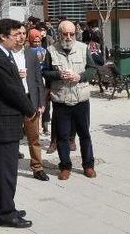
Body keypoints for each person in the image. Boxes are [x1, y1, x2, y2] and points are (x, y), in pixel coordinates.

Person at [0, 19, 36, 228]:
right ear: (3, 36)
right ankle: (5, 213)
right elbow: (12, 90)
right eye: (14, 35)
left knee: (8, 170)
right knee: (4, 171)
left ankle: (7, 206)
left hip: (8, 121)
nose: (18, 38)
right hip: (2, 122)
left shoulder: (4, 55)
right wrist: (30, 109)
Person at [42, 20, 99, 180]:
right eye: (65, 34)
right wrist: (58, 75)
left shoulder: (83, 48)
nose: (68, 37)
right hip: (61, 100)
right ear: (59, 34)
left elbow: (93, 69)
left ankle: (88, 165)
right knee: (62, 136)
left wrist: (79, 76)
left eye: (71, 34)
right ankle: (65, 166)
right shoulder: (51, 50)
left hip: (81, 99)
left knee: (84, 135)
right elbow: (45, 72)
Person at [15, 26, 48, 181]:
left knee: (34, 136)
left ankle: (37, 167)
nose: (21, 37)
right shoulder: (5, 54)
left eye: (23, 34)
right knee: (13, 135)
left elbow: (38, 79)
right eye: (18, 34)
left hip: (30, 100)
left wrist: (41, 101)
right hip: (13, 101)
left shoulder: (30, 54)